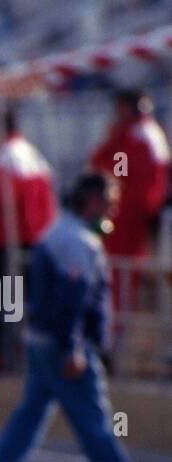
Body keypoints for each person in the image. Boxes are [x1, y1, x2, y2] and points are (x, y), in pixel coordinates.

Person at [0, 173, 166, 462]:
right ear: (91, 202)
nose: (113, 209)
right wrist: (72, 349)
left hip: (42, 342)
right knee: (95, 424)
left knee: (30, 416)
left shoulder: (60, 231)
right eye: (108, 202)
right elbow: (71, 303)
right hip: (61, 349)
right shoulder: (78, 241)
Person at [0, 111, 56, 368]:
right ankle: (23, 356)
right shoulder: (33, 155)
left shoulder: (3, 159)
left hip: (5, 246)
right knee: (25, 306)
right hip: (36, 244)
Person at [88, 88, 170, 327]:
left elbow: (119, 172)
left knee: (120, 277)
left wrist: (114, 139)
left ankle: (113, 337)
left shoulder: (134, 136)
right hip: (143, 217)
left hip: (132, 219)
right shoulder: (147, 132)